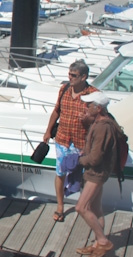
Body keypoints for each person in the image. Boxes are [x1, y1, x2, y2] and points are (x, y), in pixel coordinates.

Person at [42, 59, 97, 222]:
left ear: (83, 77)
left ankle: (84, 206)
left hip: (82, 143)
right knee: (60, 173)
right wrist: (48, 131)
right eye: (69, 74)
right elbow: (56, 111)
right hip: (62, 139)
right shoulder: (64, 89)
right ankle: (60, 206)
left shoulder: (93, 94)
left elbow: (99, 119)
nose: (70, 77)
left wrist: (88, 119)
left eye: (74, 75)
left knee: (84, 176)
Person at [75, 91, 120, 257]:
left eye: (89, 105)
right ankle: (96, 245)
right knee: (95, 208)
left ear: (98, 108)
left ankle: (103, 241)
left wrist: (80, 160)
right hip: (97, 171)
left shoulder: (102, 127)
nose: (85, 107)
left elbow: (95, 158)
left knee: (81, 207)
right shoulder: (101, 122)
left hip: (96, 173)